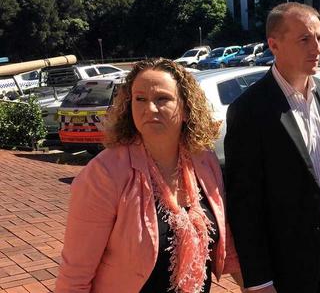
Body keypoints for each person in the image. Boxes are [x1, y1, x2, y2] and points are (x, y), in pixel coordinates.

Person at [224, 2, 320, 293]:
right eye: (304, 39)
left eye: (319, 38)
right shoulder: (249, 110)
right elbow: (244, 203)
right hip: (283, 258)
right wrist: (259, 279)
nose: (317, 48)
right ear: (274, 44)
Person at [55, 58, 241, 292]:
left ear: (186, 108)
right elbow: (75, 275)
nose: (149, 108)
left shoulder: (203, 160)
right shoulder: (104, 173)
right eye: (140, 99)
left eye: (162, 98)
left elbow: (227, 241)